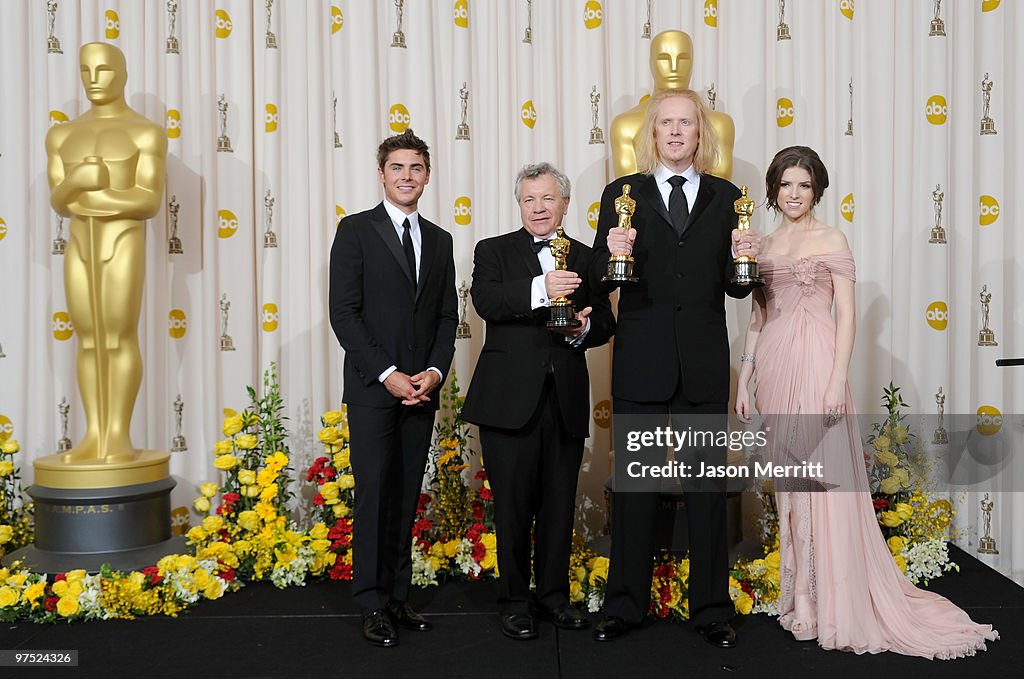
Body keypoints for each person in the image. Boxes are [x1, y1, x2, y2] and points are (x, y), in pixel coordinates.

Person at [735, 145, 998, 658]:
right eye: (786, 185)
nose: (794, 194)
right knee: (790, 485)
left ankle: (824, 597)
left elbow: (848, 317)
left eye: (804, 186)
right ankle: (800, 594)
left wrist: (838, 379)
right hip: (774, 366)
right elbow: (757, 319)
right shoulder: (761, 244)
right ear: (773, 189)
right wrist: (744, 378)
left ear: (817, 191)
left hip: (817, 365)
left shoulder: (832, 237)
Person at [590, 89, 760, 647]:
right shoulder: (623, 194)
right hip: (641, 359)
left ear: (700, 132)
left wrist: (746, 261)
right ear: (653, 132)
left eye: (686, 123)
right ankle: (624, 606)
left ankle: (712, 609)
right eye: (666, 123)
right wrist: (611, 252)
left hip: (704, 360)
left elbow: (739, 292)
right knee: (634, 489)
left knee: (706, 491)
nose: (676, 132)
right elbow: (600, 276)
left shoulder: (728, 197)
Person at [461, 163, 615, 641]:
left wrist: (582, 330)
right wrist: (540, 290)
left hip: (563, 400)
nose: (538, 208)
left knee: (557, 504)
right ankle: (513, 600)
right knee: (510, 506)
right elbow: (487, 301)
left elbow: (606, 325)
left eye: (547, 199)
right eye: (529, 200)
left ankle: (553, 598)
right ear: (519, 204)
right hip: (507, 402)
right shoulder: (493, 250)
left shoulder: (589, 258)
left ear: (565, 204)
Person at [329, 128, 458, 648]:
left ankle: (399, 598)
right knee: (375, 497)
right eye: (398, 168)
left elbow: (447, 317)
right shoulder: (355, 230)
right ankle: (370, 602)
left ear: (427, 176)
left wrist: (433, 371)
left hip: (421, 390)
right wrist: (388, 374)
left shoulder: (443, 239)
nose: (407, 176)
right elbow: (345, 314)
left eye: (417, 168)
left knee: (406, 497)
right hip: (372, 389)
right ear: (381, 174)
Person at [46, 42, 167, 463]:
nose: (94, 80)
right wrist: (78, 177)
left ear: (123, 73)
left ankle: (117, 434)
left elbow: (149, 200)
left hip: (121, 241)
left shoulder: (144, 131)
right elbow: (60, 201)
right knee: (87, 338)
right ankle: (93, 433)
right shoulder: (63, 134)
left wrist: (90, 199)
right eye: (86, 71)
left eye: (104, 71)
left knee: (116, 335)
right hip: (80, 241)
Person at [610, 30, 734, 180]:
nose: (674, 67)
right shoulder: (624, 125)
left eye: (683, 59)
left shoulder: (720, 124)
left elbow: (719, 192)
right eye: (664, 59)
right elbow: (628, 191)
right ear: (651, 63)